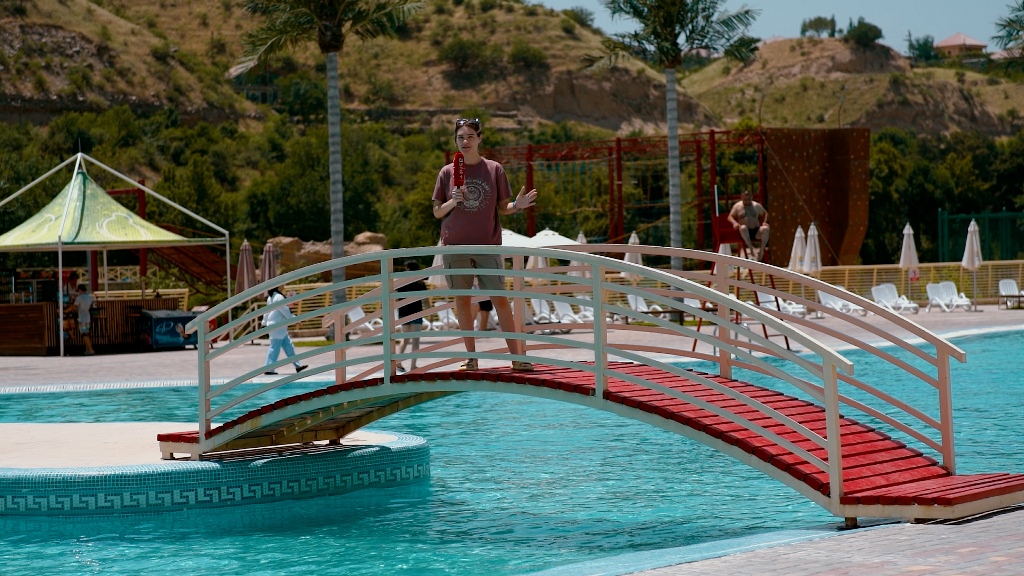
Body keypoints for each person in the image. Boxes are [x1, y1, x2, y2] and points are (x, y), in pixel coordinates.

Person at [432, 117, 538, 371]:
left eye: (470, 136)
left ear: (480, 138)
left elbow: (504, 207)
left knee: (500, 299)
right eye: (460, 137)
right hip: (455, 246)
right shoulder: (447, 172)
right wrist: (453, 201)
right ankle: (471, 359)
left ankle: (517, 358)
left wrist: (518, 205)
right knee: (462, 301)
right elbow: (437, 212)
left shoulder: (494, 169)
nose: (465, 141)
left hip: (488, 245)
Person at [261, 286, 308, 375]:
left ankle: (297, 366)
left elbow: (266, 312)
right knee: (274, 348)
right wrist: (296, 320)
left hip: (278, 328)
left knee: (289, 347)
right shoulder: (279, 297)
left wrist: (264, 323)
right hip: (277, 327)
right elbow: (286, 313)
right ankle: (269, 368)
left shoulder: (271, 297)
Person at [395, 260, 428, 373]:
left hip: (403, 312)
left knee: (405, 339)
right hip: (416, 312)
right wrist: (430, 312)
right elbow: (425, 299)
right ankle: (413, 365)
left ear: (407, 268)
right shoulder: (420, 282)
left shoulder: (401, 282)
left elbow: (395, 298)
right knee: (415, 340)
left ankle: (398, 361)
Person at [727, 189, 770, 261]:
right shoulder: (737, 206)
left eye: (749, 199)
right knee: (743, 228)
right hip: (744, 232)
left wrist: (764, 222)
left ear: (751, 197)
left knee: (765, 229)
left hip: (756, 230)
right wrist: (735, 223)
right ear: (742, 197)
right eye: (745, 199)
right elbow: (730, 217)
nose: (747, 201)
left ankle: (761, 250)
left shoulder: (756, 205)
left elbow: (765, 213)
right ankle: (751, 248)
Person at [70, 284, 95, 356]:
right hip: (87, 317)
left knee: (84, 335)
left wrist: (65, 311)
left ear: (80, 290)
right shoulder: (89, 297)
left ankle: (90, 350)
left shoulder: (79, 298)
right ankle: (87, 350)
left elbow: (74, 306)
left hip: (82, 318)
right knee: (86, 334)